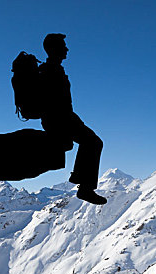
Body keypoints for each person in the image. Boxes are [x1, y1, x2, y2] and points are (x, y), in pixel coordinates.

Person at [39, 33, 107, 205]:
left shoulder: (53, 69)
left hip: (63, 118)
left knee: (92, 142)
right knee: (93, 142)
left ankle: (81, 182)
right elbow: (55, 102)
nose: (66, 49)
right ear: (54, 49)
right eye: (63, 45)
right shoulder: (50, 71)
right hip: (60, 119)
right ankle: (85, 188)